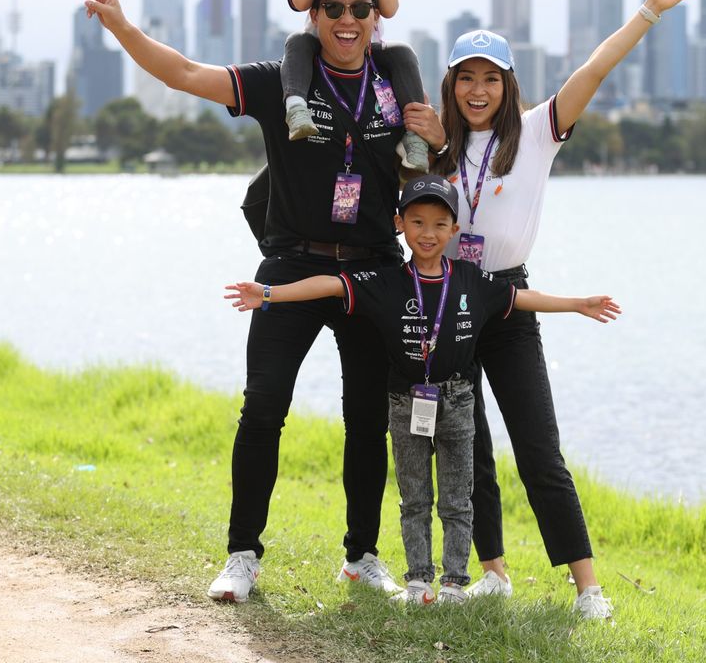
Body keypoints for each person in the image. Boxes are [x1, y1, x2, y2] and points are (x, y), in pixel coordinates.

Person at [82, 0, 444, 603]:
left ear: (373, 19)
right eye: (332, 9)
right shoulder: (283, 82)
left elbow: (441, 166)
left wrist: (436, 138)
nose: (347, 20)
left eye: (359, 9)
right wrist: (121, 27)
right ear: (315, 17)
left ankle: (363, 556)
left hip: (372, 267)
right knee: (264, 407)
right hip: (293, 261)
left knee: (365, 419)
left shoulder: (396, 89)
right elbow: (187, 74)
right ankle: (242, 554)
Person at [429, 0, 702, 619]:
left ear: (506, 84)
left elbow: (594, 71)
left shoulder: (540, 131)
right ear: (452, 84)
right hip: (450, 305)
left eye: (489, 79)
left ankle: (589, 589)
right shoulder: (436, 144)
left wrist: (651, 10)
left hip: (512, 304)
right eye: (466, 78)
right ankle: (491, 571)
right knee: (465, 449)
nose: (477, 89)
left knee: (539, 451)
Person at [224, 176, 621, 606]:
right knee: (413, 497)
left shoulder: (470, 278)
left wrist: (578, 304)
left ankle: (453, 583)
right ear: (399, 224)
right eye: (417, 222)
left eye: (438, 224)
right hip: (405, 406)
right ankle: (418, 582)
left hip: (457, 404)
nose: (427, 233)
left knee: (457, 497)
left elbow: (523, 298)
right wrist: (270, 293)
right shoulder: (388, 279)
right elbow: (329, 285)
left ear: (454, 230)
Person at [282, 0, 431, 170]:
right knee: (296, 43)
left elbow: (390, 8)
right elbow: (299, 2)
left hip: (365, 52)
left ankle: (415, 138)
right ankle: (296, 109)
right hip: (319, 49)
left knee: (402, 53)